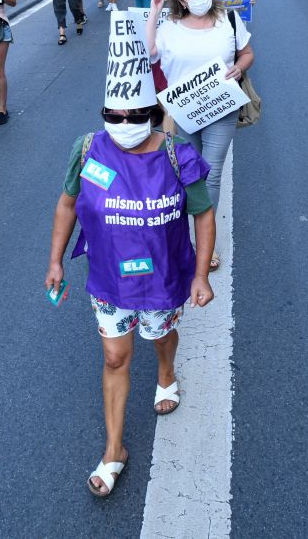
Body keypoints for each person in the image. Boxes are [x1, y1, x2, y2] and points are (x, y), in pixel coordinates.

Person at [44, 103, 216, 498]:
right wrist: (55, 260)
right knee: (114, 357)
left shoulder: (178, 155)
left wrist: (201, 274)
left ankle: (166, 372)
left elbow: (203, 213)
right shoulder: (87, 150)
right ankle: (113, 449)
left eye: (134, 115)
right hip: (109, 282)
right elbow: (67, 203)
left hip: (163, 282)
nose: (123, 124)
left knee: (160, 335)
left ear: (152, 113)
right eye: (114, 115)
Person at [146, 0, 254, 271]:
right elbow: (149, 53)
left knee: (212, 173)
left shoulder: (228, 20)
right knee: (189, 173)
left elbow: (247, 53)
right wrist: (154, 12)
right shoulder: (169, 28)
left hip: (222, 107)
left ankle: (204, 246)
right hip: (185, 111)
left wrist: (240, 68)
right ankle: (189, 236)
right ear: (180, 0)